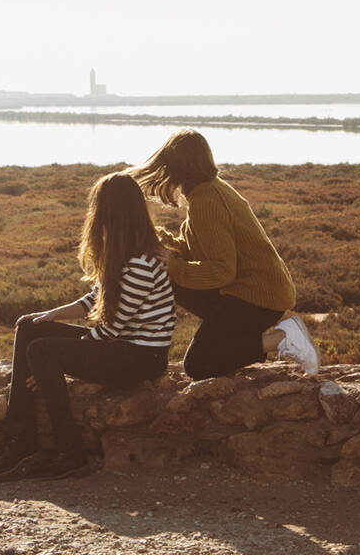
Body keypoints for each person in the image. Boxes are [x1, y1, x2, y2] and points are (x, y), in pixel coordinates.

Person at [0, 172, 175, 481]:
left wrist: (57, 362)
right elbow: (95, 299)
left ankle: (69, 451)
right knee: (30, 328)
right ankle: (21, 439)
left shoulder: (142, 262)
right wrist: (49, 315)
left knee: (43, 352)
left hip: (141, 357)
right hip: (120, 345)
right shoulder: (124, 250)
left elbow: (112, 328)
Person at [128, 130, 319, 379]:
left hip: (258, 297)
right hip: (245, 291)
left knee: (199, 364)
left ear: (177, 166)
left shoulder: (206, 201)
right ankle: (225, 339)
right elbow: (197, 251)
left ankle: (283, 338)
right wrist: (159, 241)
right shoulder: (207, 192)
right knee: (166, 274)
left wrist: (173, 266)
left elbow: (222, 271)